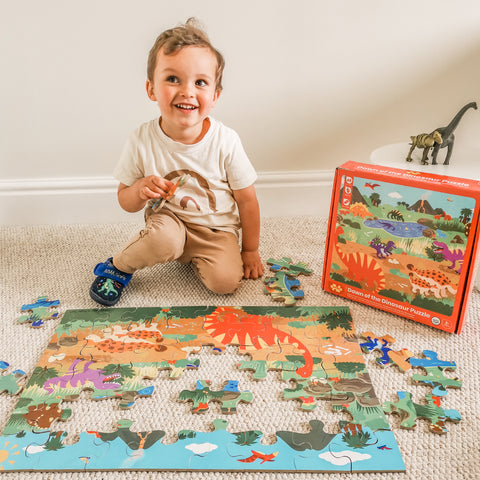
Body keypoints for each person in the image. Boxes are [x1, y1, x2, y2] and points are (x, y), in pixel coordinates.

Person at [90, 18, 264, 306]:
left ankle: (193, 254)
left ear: (215, 95)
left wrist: (250, 250)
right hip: (169, 220)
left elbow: (247, 200)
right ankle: (119, 265)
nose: (187, 91)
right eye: (173, 79)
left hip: (217, 230)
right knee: (164, 241)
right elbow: (125, 200)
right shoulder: (142, 139)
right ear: (151, 89)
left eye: (200, 82)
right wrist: (141, 189)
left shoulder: (226, 141)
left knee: (225, 283)